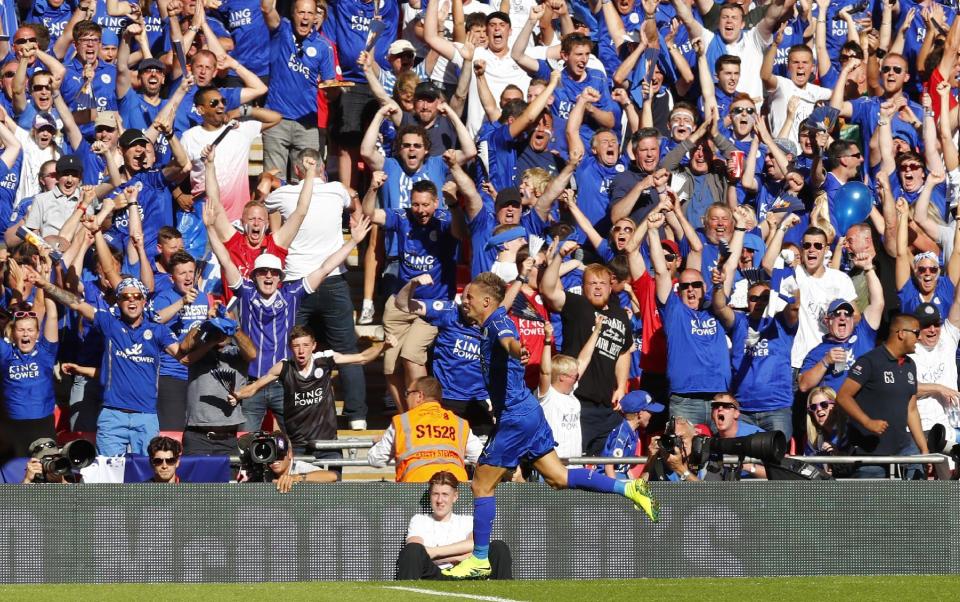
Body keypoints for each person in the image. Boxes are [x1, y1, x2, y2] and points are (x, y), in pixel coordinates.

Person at [443, 272, 656, 580]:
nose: (465, 301)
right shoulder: (493, 319)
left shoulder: (496, 323)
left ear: (486, 302)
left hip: (517, 416)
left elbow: (508, 341)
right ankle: (629, 487)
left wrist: (518, 350)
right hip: (528, 413)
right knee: (558, 477)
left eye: (469, 298)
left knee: (481, 484)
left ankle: (479, 557)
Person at [203, 148, 371, 432]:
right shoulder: (234, 248)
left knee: (294, 438)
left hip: (278, 371)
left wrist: (351, 242)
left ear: (268, 221)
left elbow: (304, 219)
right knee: (244, 437)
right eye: (251, 219)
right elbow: (216, 211)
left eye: (261, 218)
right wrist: (209, 165)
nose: (256, 223)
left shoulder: (276, 245)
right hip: (241, 348)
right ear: (242, 222)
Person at [232, 325, 390, 467]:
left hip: (327, 444)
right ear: (290, 348)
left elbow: (362, 358)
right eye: (296, 346)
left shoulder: (325, 359)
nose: (301, 351)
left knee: (333, 485)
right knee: (301, 493)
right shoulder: (283, 367)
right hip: (299, 446)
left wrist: (384, 346)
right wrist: (237, 395)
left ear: (313, 346)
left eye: (306, 345)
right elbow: (254, 387)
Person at [836, 314, 929, 479]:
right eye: (916, 332)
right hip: (870, 453)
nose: (920, 338)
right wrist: (867, 422)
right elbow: (843, 396)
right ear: (901, 333)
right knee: (876, 504)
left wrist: (924, 449)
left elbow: (912, 409)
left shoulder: (910, 365)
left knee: (918, 499)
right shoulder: (869, 361)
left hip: (904, 448)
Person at [396, 471, 512, 581]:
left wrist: (434, 552)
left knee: (498, 547)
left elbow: (475, 545)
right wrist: (461, 556)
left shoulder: (467, 521)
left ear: (455, 496)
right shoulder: (419, 520)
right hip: (436, 574)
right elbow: (416, 553)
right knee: (413, 550)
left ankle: (505, 595)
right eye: (435, 494)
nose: (439, 500)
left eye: (445, 494)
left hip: (465, 572)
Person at [368, 376, 483, 483]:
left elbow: (376, 460)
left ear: (419, 396)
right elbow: (480, 457)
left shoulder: (403, 422)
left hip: (414, 486)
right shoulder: (459, 423)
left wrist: (378, 443)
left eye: (407, 393)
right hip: (454, 488)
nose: (406, 398)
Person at [0, 270, 59, 457]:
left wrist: (44, 284)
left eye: (30, 330)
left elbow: (52, 316)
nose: (26, 334)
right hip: (13, 427)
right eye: (21, 330)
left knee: (46, 476)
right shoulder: (6, 353)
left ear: (37, 333)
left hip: (43, 424)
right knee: (15, 477)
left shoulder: (46, 352)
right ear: (13, 333)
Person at [598, 390, 665, 480]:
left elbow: (623, 464)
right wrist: (615, 488)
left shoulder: (633, 431)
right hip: (607, 477)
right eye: (650, 411)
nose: (652, 414)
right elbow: (609, 465)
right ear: (640, 414)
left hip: (619, 474)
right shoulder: (622, 434)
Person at [261, 430, 339, 493]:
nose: (275, 459)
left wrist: (296, 478)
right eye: (270, 455)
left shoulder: (300, 467)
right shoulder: (263, 471)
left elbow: (332, 476)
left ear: (290, 454)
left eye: (279, 453)